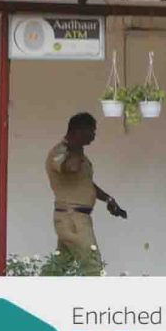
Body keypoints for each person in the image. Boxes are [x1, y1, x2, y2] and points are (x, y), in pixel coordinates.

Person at [45, 112, 127, 274]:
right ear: (79, 130)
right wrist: (76, 145)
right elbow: (72, 167)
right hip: (72, 218)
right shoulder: (60, 152)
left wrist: (108, 199)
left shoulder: (77, 154)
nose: (94, 136)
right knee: (92, 265)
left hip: (74, 218)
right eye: (91, 131)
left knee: (58, 269)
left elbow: (86, 184)